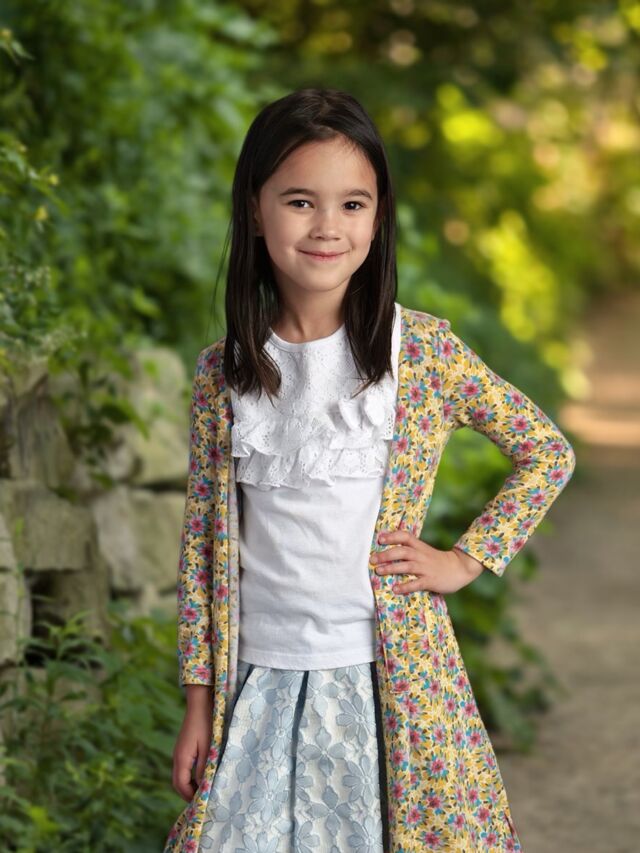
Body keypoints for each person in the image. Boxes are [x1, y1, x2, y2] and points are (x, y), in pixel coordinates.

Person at [164, 88, 576, 853]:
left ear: (379, 216)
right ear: (254, 210)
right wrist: (197, 700)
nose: (328, 226)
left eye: (353, 204)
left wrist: (465, 559)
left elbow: (545, 450)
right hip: (255, 683)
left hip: (389, 682)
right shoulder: (224, 373)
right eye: (300, 201)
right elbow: (201, 549)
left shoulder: (420, 355)